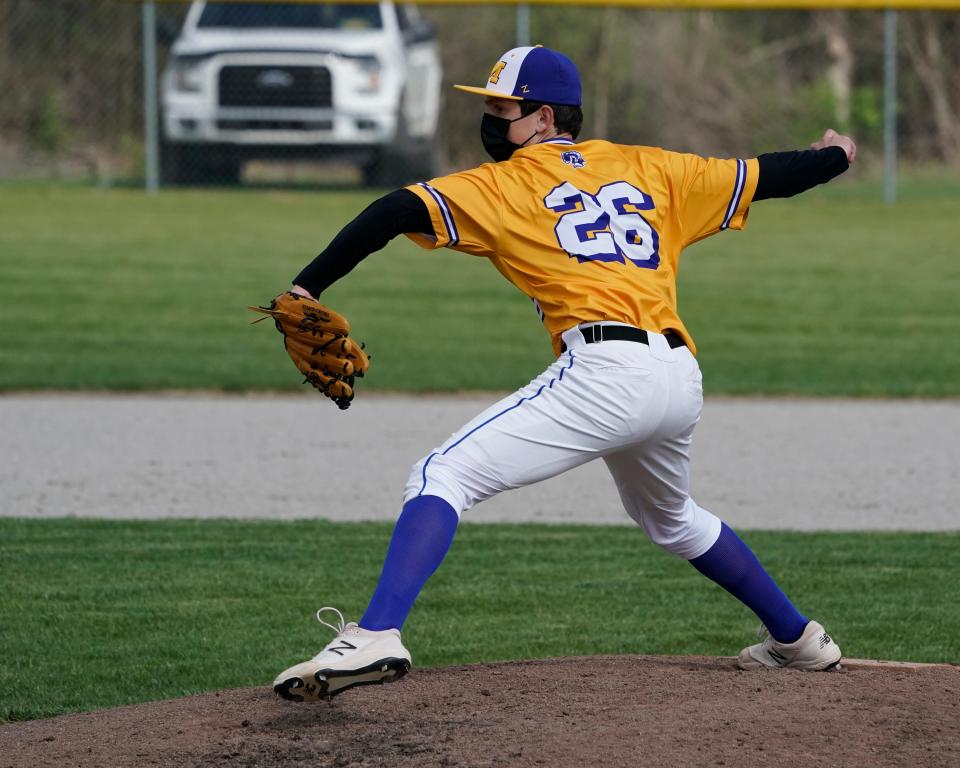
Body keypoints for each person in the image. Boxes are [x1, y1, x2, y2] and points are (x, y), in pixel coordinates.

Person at [272, 45, 855, 702]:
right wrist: (835, 155)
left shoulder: (505, 183)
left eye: (503, 107)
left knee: (443, 474)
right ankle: (799, 639)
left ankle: (376, 632)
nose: (490, 120)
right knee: (672, 519)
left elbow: (394, 211)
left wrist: (306, 286)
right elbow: (769, 174)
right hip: (677, 375)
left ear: (544, 117)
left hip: (607, 371)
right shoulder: (653, 167)